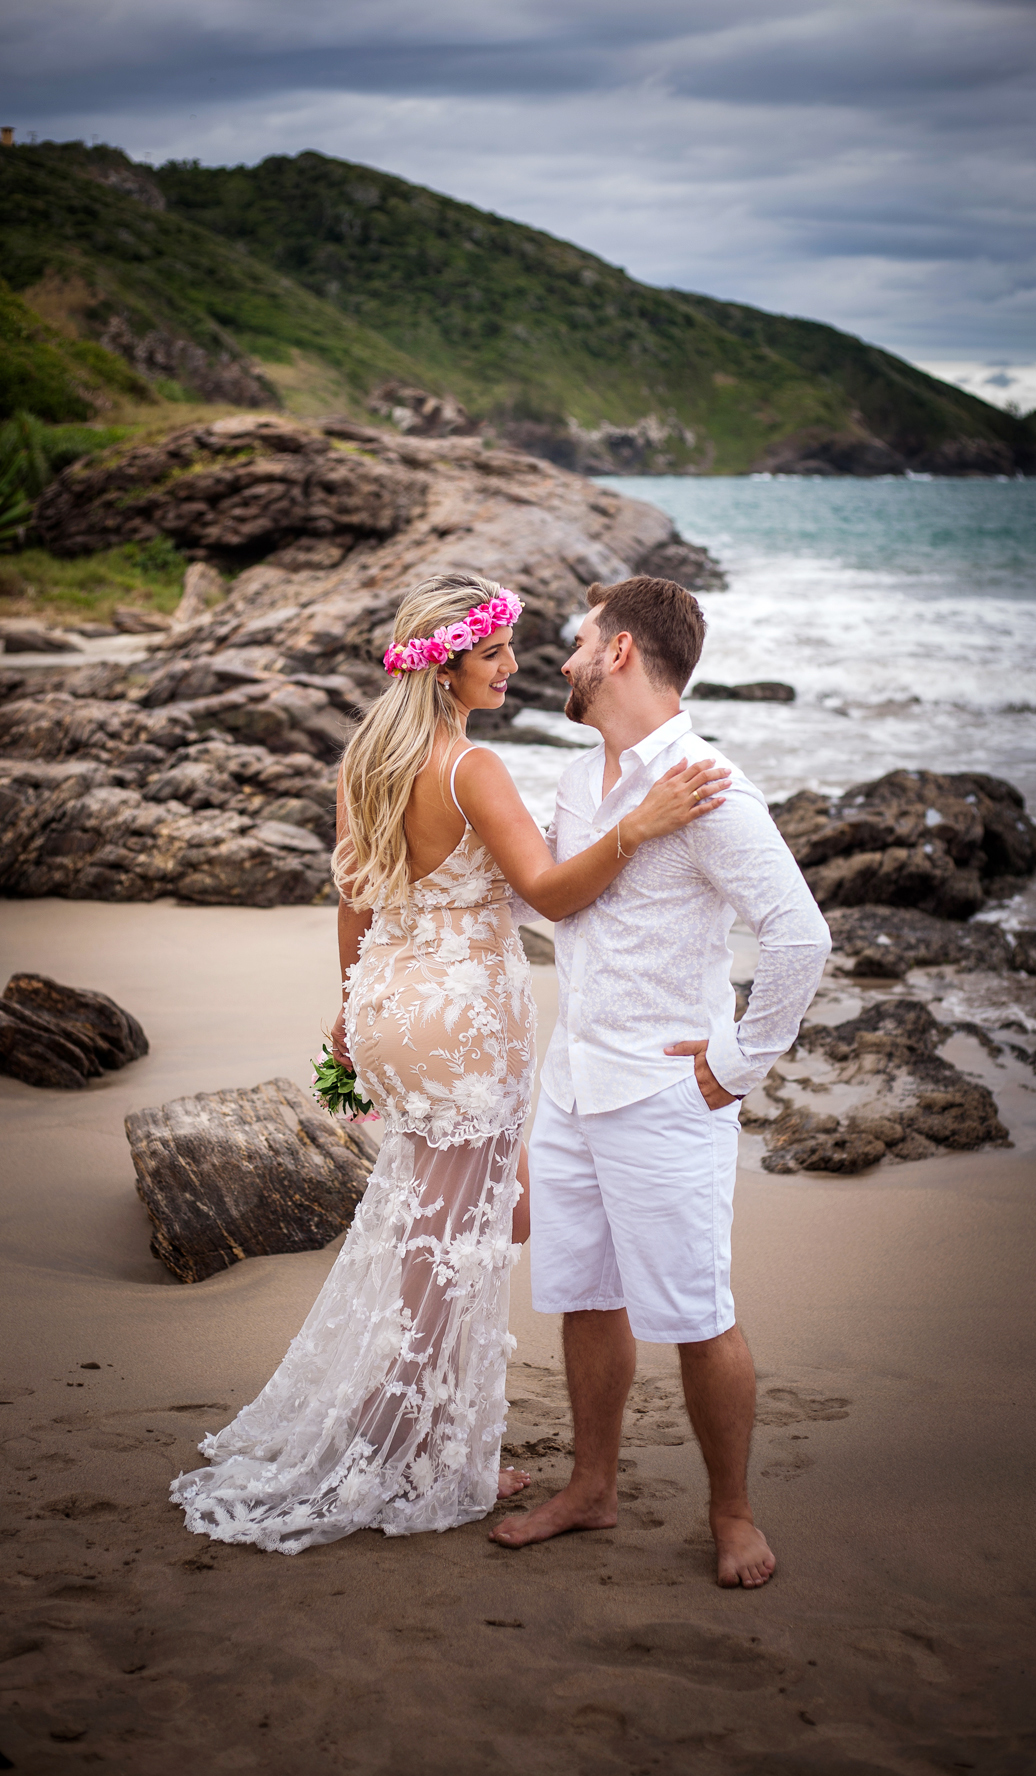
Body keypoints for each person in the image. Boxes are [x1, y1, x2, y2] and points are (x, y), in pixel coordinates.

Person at [170, 571, 729, 1554]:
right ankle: (404, 1458)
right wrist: (637, 829)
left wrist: (349, 1016)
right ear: (444, 668)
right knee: (451, 1250)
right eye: (493, 654)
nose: (513, 667)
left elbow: (354, 898)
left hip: (390, 1006)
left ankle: (421, 1436)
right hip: (466, 1022)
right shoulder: (472, 771)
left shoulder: (366, 759)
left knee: (444, 1226)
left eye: (513, 650)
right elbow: (552, 896)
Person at [490, 577, 832, 1587]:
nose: (563, 658)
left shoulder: (707, 781)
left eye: (581, 639)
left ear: (625, 652)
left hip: (665, 1094)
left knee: (695, 1312)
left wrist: (734, 1067)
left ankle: (733, 1513)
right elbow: (559, 903)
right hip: (573, 1080)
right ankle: (592, 1488)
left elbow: (798, 936)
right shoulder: (577, 782)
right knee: (586, 1297)